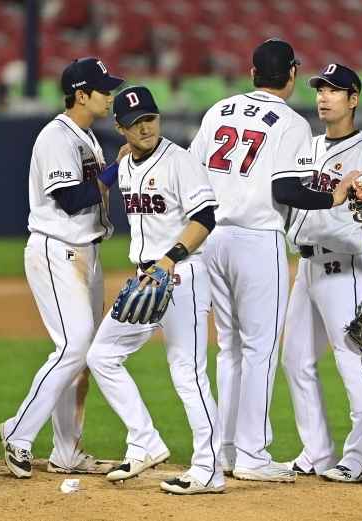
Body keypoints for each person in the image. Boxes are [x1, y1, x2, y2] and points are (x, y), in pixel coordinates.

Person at [188, 40, 361, 482]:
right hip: (256, 238)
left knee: (228, 348)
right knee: (260, 349)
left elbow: (190, 173)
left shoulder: (218, 110)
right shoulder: (291, 122)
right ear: (291, 75)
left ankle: (225, 449)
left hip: (212, 238)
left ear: (251, 74)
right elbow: (285, 191)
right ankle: (252, 455)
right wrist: (335, 194)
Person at [85, 86, 224, 495]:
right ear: (120, 128)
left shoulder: (180, 162)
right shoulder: (125, 163)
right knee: (102, 355)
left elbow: (205, 218)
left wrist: (169, 259)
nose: (145, 127)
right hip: (146, 278)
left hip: (181, 274)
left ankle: (209, 470)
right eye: (134, 122)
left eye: (150, 118)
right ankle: (145, 441)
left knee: (188, 374)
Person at [0, 58, 126, 478]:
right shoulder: (56, 136)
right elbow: (71, 199)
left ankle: (67, 451)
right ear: (80, 94)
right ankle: (17, 432)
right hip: (58, 250)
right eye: (102, 89)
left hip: (85, 251)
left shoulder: (86, 137)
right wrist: (115, 168)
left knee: (83, 354)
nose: (110, 94)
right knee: (74, 345)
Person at [281, 64, 362, 484]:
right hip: (307, 267)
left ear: (354, 98)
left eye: (335, 90)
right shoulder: (308, 146)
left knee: (352, 359)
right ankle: (317, 451)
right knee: (295, 360)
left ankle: (359, 460)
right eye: (320, 89)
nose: (324, 97)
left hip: (343, 268)